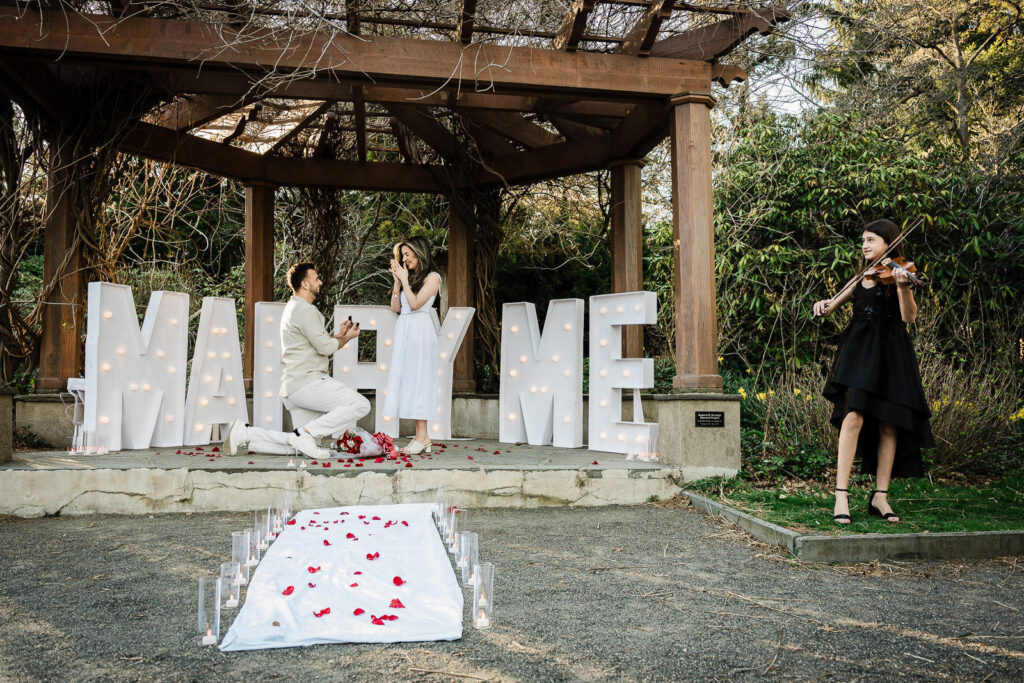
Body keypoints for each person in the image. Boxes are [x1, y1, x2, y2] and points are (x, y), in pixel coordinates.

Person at [813, 219, 934, 524]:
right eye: (863, 240)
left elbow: (908, 318)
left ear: (888, 242)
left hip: (892, 355)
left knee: (889, 424)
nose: (865, 245)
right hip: (859, 354)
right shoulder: (862, 277)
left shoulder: (898, 274)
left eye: (871, 240)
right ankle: (841, 494)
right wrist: (823, 303)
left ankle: (880, 496)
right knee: (853, 416)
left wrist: (905, 288)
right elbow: (831, 306)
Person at [222, 262, 371, 459]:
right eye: (316, 278)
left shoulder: (293, 308)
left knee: (300, 446)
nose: (320, 281)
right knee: (361, 405)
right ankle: (306, 434)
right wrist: (348, 338)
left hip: (293, 387)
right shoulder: (306, 311)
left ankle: (249, 434)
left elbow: (320, 344)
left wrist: (341, 335)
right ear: (305, 284)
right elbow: (326, 347)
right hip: (307, 383)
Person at [382, 237, 442, 455]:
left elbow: (416, 304)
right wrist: (397, 284)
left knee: (420, 380)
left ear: (420, 253)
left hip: (420, 332)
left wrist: (405, 281)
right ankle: (422, 437)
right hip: (405, 331)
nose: (404, 259)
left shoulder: (433, 278)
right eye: (403, 255)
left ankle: (422, 436)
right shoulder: (410, 279)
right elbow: (396, 307)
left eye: (408, 254)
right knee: (408, 380)